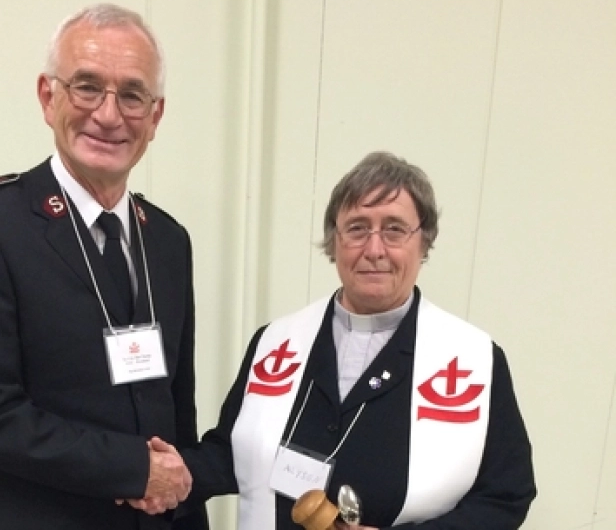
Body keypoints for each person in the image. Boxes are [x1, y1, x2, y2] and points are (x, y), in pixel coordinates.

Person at [0, 3, 208, 530]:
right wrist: (133, 469)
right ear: (47, 96)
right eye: (87, 86)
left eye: (131, 94)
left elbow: (177, 415)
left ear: (156, 116)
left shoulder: (169, 240)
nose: (108, 114)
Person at [172, 151, 536, 529]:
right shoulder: (275, 342)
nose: (374, 249)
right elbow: (231, 453)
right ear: (335, 241)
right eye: (358, 228)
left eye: (394, 229)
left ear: (423, 242)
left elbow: (506, 494)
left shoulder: (474, 359)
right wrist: (163, 472)